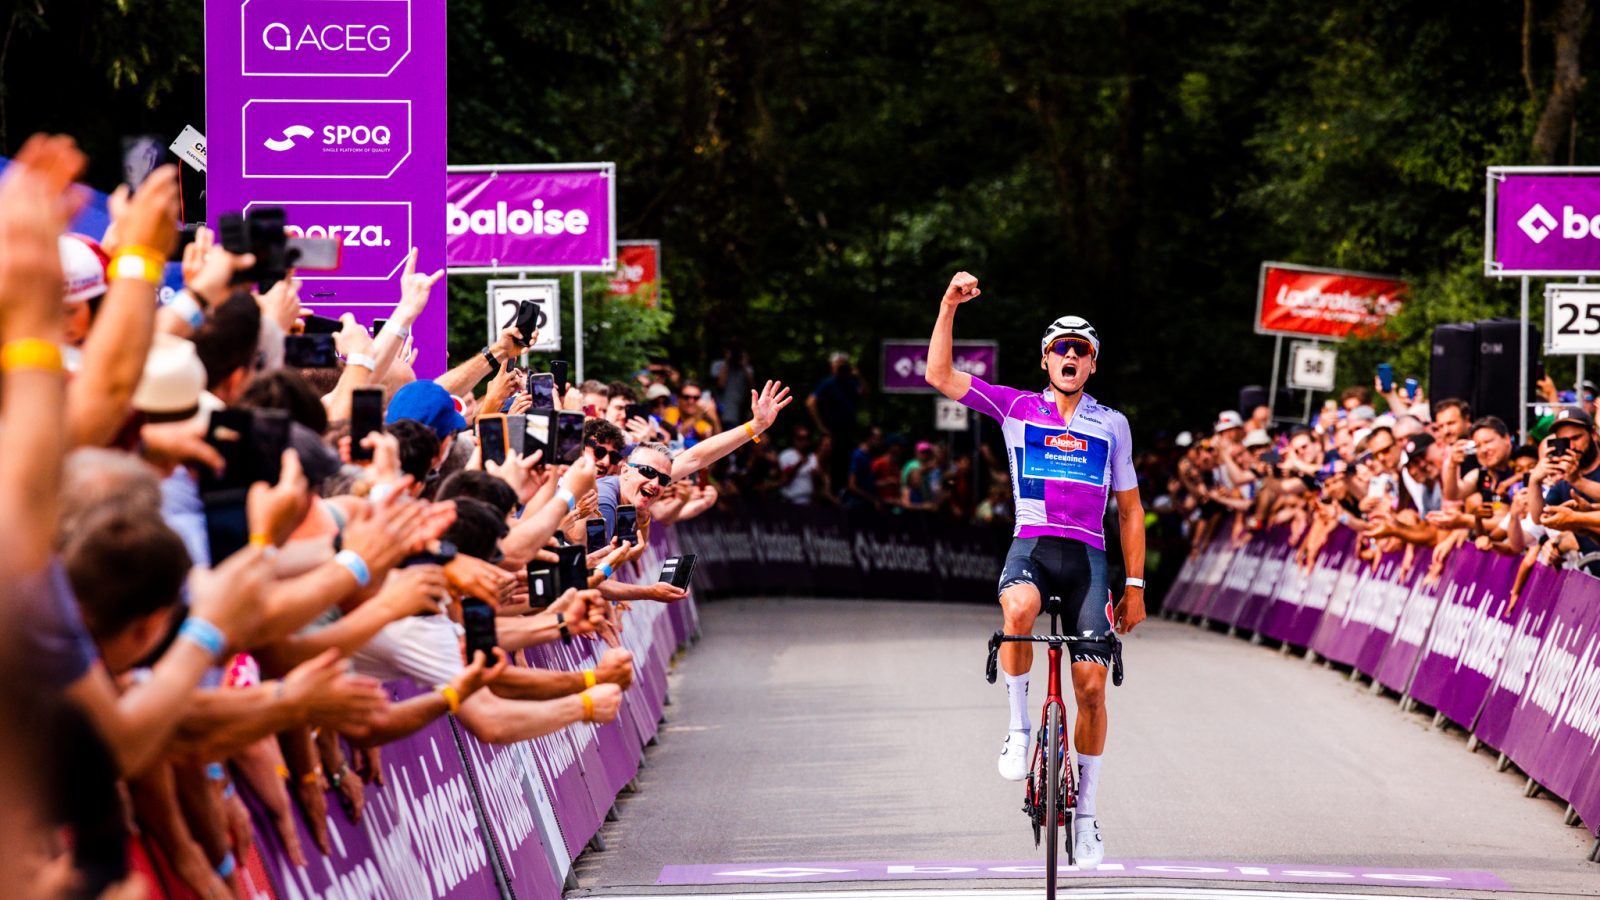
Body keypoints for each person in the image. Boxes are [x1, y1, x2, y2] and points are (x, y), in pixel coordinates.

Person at [924, 271, 1144, 867]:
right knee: (1017, 609)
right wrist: (948, 306)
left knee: (1092, 690)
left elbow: (1129, 510)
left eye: (1082, 350)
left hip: (1089, 560)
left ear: (1092, 365)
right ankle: (1019, 729)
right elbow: (939, 377)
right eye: (1060, 348)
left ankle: (1090, 818)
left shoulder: (1112, 424)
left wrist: (1136, 585)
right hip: (1033, 545)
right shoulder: (1016, 406)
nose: (1070, 356)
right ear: (1044, 359)